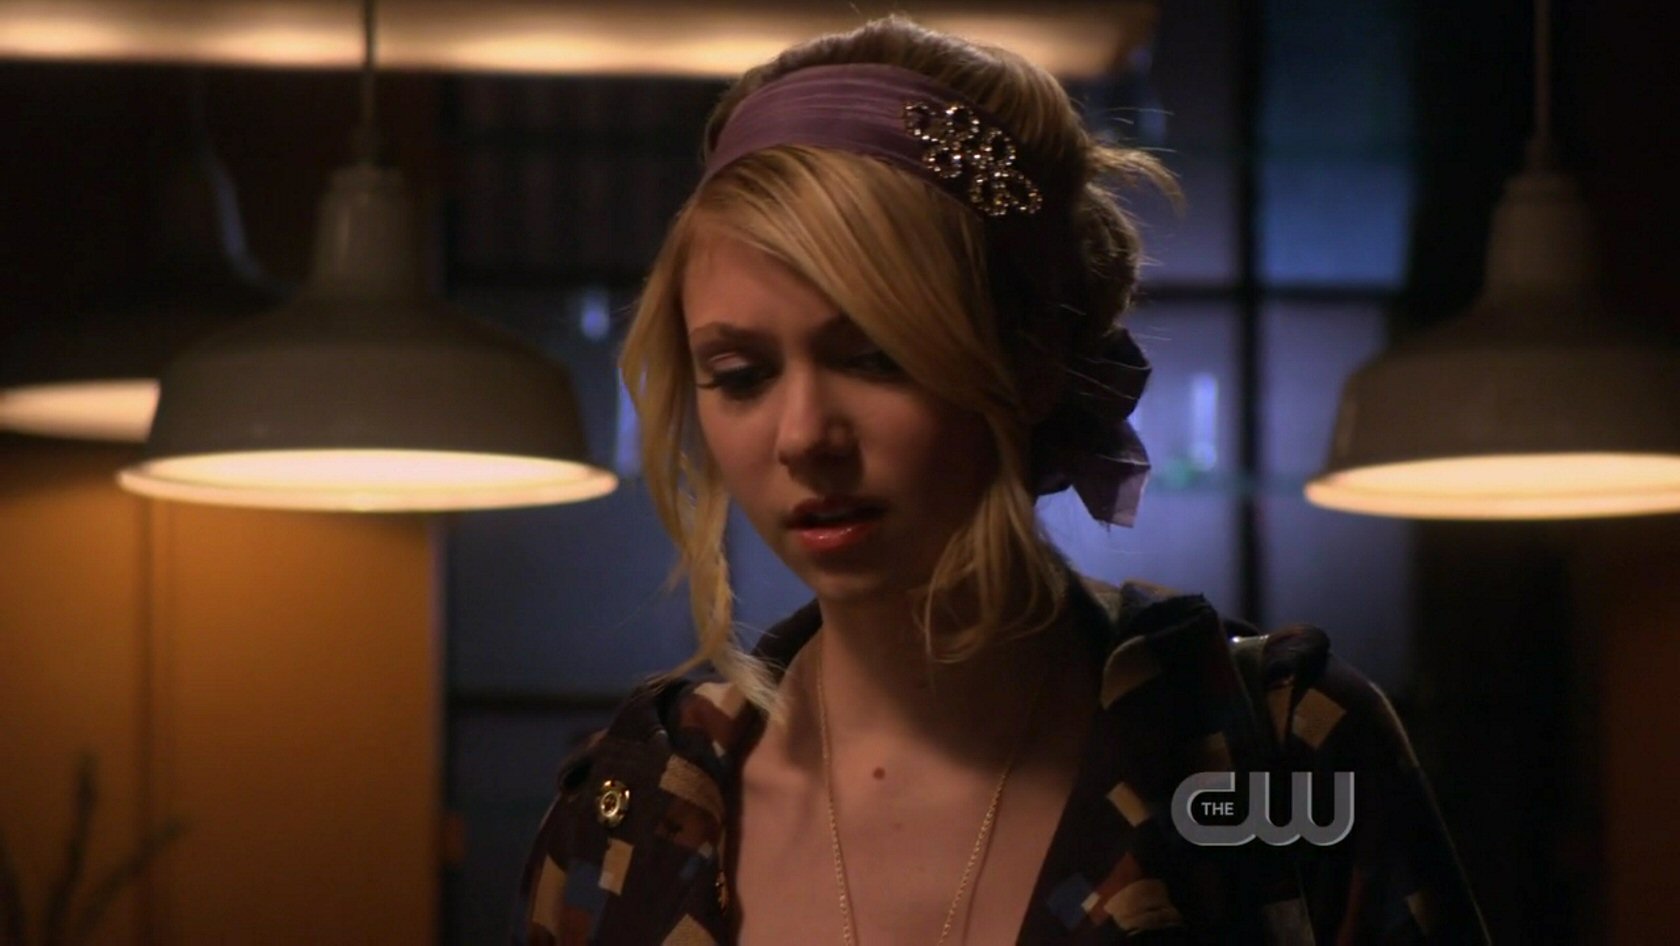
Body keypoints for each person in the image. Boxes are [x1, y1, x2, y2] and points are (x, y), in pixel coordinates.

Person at [516, 16, 1487, 945]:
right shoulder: (632, 815)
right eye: (740, 375)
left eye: (877, 355)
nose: (805, 437)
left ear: (1028, 361)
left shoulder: (1270, 754)